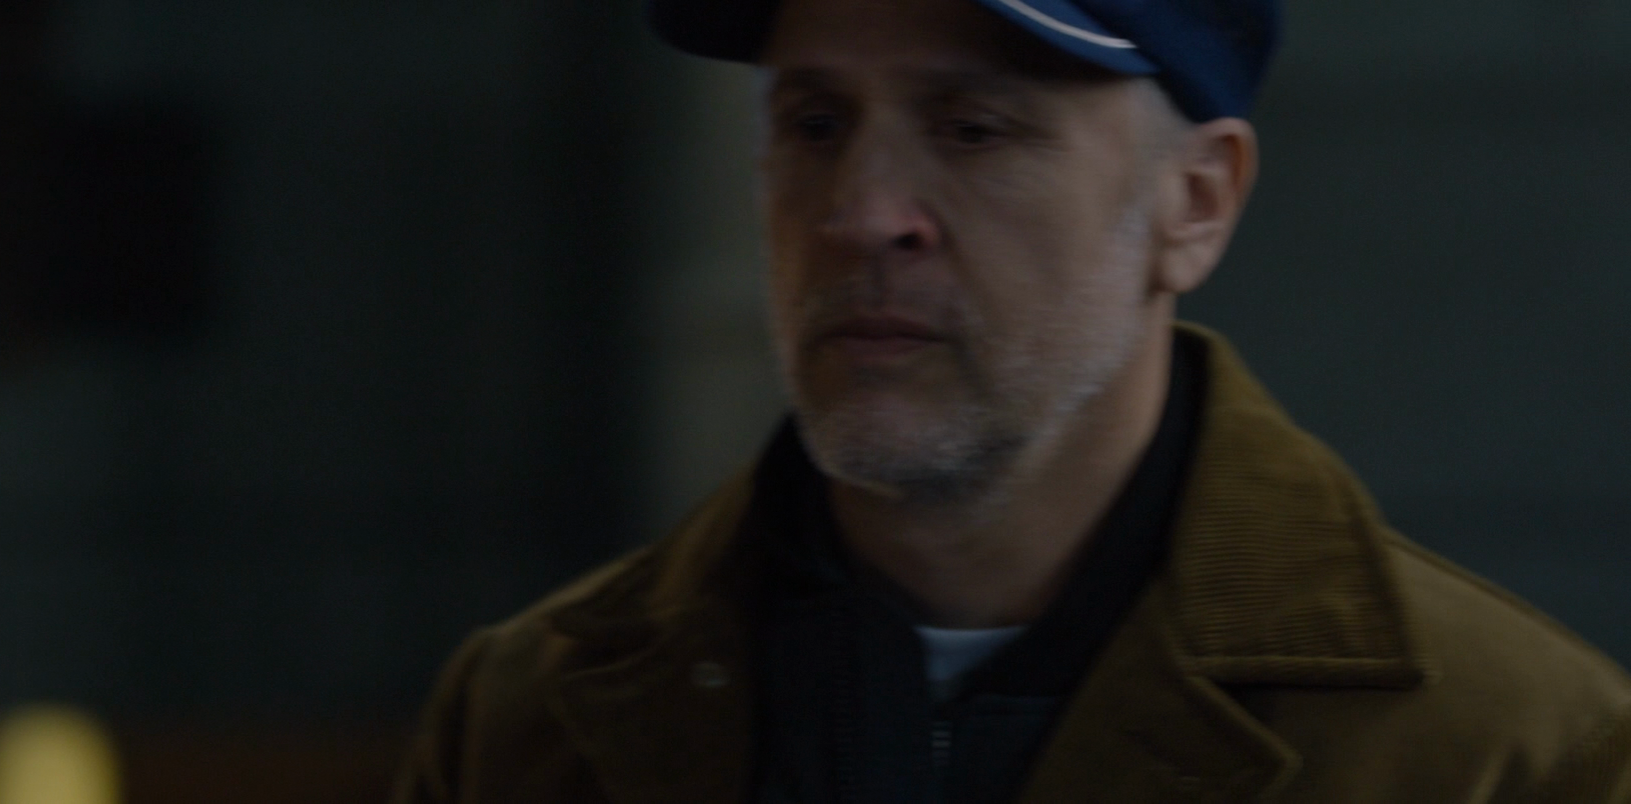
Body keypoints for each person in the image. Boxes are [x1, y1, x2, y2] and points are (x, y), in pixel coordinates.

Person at [392, 0, 1631, 800]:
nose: (862, 213)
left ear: (1194, 203)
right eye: (815, 122)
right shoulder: (523, 721)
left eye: (974, 129)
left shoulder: (1505, 757)